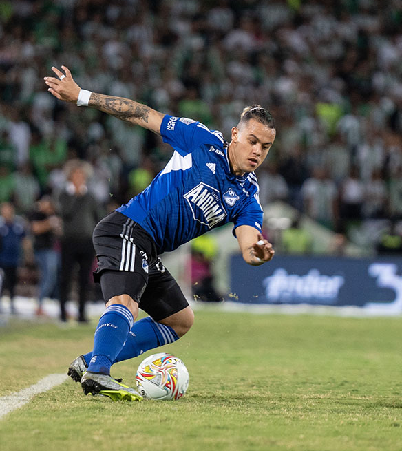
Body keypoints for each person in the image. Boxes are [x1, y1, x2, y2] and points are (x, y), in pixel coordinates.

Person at [45, 65, 276, 401]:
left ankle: (93, 360)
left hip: (148, 249)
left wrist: (256, 253)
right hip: (126, 228)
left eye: (265, 146)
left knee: (180, 321)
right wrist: (81, 96)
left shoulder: (247, 197)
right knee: (126, 302)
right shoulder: (201, 140)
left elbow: (248, 243)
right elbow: (142, 115)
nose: (257, 151)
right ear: (235, 135)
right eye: (252, 140)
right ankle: (99, 373)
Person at [57, 159, 103, 323]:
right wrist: (76, 195)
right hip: (69, 241)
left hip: (86, 242)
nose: (79, 178)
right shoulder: (64, 195)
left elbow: (98, 217)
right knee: (66, 278)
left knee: (85, 279)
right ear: (70, 177)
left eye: (81, 175)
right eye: (76, 175)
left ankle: (81, 314)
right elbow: (65, 213)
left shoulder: (90, 196)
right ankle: (62, 314)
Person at [29, 195, 62, 316]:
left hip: (54, 250)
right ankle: (39, 305)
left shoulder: (53, 215)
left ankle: (59, 306)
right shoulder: (37, 214)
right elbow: (35, 228)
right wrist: (50, 223)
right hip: (43, 250)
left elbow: (59, 231)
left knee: (57, 278)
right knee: (47, 277)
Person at [0, 202, 29, 315]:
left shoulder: (18, 224)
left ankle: (12, 303)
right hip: (2, 259)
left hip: (14, 258)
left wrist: (27, 255)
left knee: (12, 282)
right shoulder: (1, 225)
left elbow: (24, 240)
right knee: (2, 283)